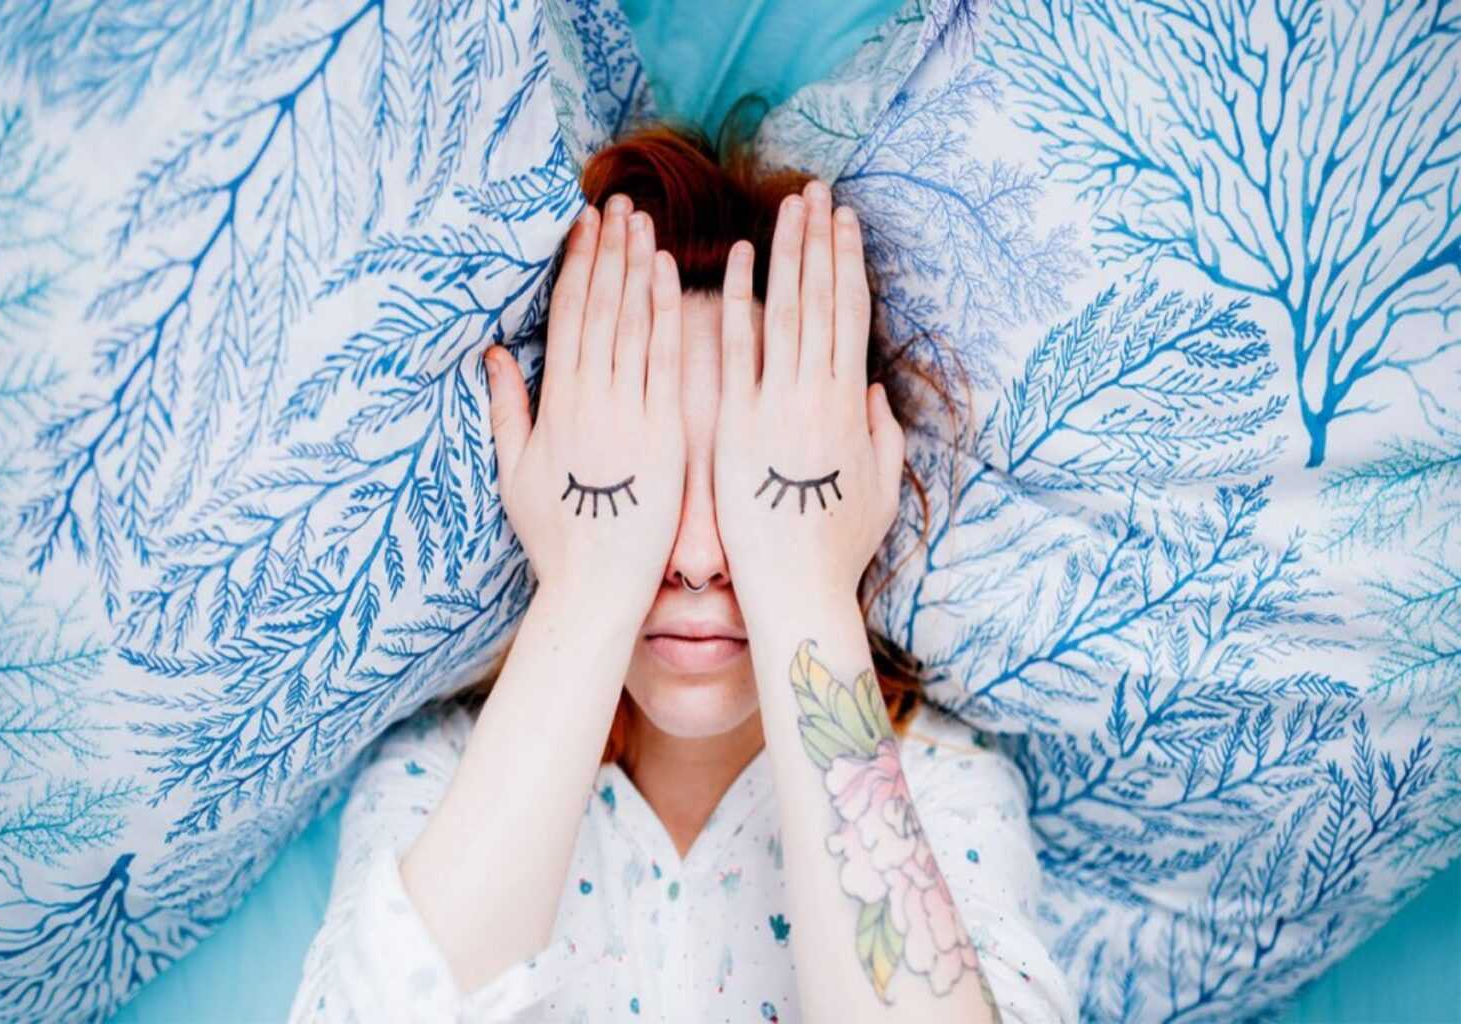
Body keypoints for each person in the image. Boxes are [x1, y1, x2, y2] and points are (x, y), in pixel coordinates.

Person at [289, 110, 1076, 1023]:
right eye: (650, 473)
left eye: (756, 480)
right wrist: (587, 586)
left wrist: (805, 588)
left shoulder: (943, 789)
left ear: (862, 486)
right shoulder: (438, 781)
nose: (699, 561)